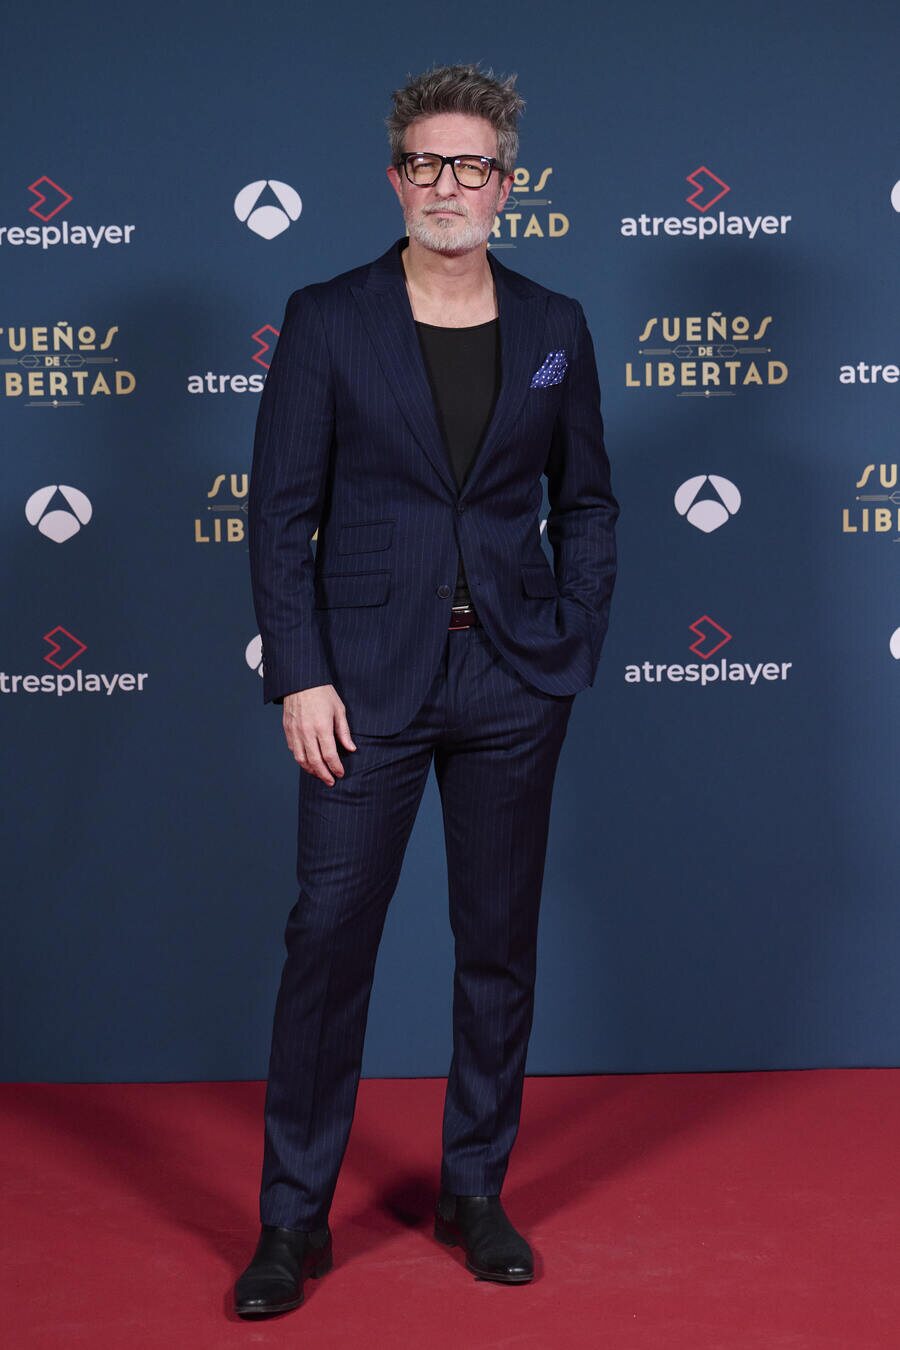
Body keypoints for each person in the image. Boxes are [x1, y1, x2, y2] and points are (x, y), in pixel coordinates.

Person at [235, 62, 618, 1317]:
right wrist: (301, 674)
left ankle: (474, 1189)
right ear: (396, 177)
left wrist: (570, 637)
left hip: (512, 677)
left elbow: (589, 501)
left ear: (508, 184)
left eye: (474, 165)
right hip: (363, 686)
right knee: (328, 939)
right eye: (427, 162)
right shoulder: (327, 317)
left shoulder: (556, 325)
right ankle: (292, 1220)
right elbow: (279, 514)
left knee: (497, 946)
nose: (450, 184)